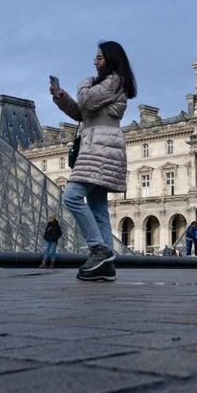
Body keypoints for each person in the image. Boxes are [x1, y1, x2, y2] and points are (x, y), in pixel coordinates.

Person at [51, 41, 137, 282]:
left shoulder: (115, 80)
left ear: (110, 59)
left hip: (100, 146)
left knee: (71, 195)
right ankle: (107, 264)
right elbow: (82, 113)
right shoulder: (106, 85)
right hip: (97, 143)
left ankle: (98, 249)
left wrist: (83, 83)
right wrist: (61, 97)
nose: (94, 61)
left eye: (99, 58)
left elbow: (87, 102)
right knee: (98, 208)